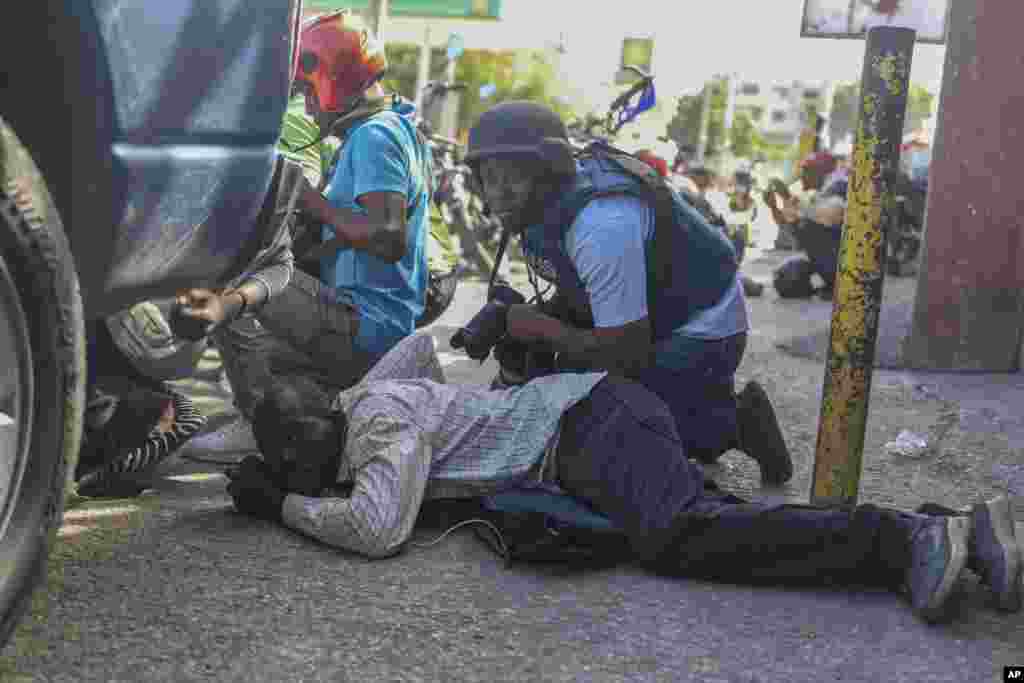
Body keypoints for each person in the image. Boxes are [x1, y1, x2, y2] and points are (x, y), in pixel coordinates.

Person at [225, 332, 1023, 624]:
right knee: (720, 526)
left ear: (326, 416)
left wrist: (282, 504)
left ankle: (904, 538)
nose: (298, 448)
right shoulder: (368, 394)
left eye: (298, 437)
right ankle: (961, 526)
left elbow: (376, 528)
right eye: (286, 443)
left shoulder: (377, 425)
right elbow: (419, 351)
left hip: (589, 428)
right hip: (595, 423)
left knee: (677, 536)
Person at [458, 101, 792, 483]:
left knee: (607, 424)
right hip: (657, 309)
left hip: (704, 325)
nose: (498, 192)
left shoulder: (600, 225)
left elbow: (625, 353)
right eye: (488, 176)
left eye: (513, 175)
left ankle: (736, 422)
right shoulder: (545, 204)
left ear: (548, 171)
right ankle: (695, 420)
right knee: (565, 373)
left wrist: (542, 329)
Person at [181, 10, 432, 454]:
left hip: (363, 324)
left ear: (332, 77)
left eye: (305, 90)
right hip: (371, 321)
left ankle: (257, 419)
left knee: (227, 273)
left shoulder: (376, 136)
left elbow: (387, 238)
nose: (306, 103)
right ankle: (271, 408)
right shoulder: (390, 128)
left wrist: (310, 199)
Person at [764, 151, 847, 296]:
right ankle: (830, 283)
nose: (802, 176)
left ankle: (836, 283)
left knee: (805, 227)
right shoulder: (819, 195)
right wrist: (773, 206)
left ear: (822, 173)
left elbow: (829, 216)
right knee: (785, 278)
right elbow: (787, 225)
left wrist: (788, 197)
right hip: (836, 256)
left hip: (845, 262)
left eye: (807, 171)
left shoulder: (840, 186)